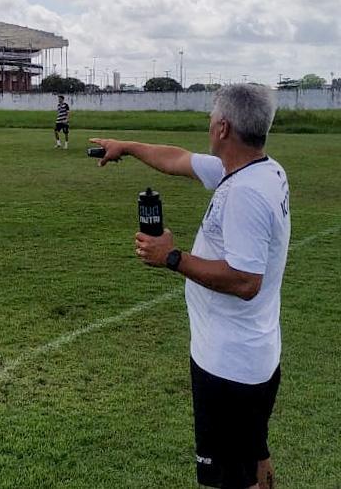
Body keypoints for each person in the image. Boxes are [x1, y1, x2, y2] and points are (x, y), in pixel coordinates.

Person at [90, 84, 289, 489]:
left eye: (212, 116)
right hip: (252, 358)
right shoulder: (260, 169)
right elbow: (176, 159)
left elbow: (246, 280)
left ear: (223, 128)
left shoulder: (246, 192)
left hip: (228, 370)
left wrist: (172, 257)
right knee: (251, 464)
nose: (209, 122)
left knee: (224, 480)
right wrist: (125, 146)